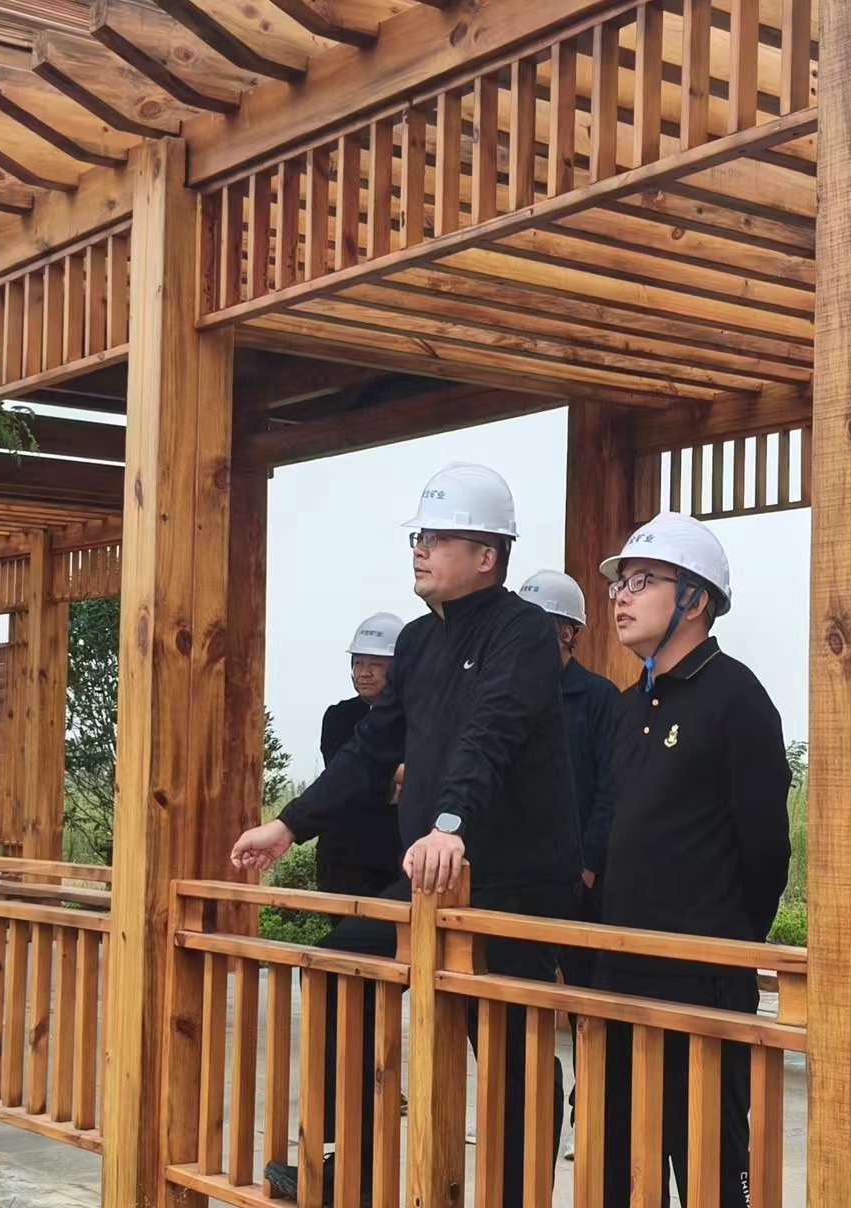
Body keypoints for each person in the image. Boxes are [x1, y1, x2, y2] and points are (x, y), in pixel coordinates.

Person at [234, 463, 580, 1208]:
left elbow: (491, 732)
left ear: (486, 555)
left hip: (511, 878)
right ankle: (348, 1169)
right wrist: (290, 825)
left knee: (509, 1047)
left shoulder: (522, 632)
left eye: (439, 538)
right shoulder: (420, 642)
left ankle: (517, 1195)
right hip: (431, 878)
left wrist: (450, 823)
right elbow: (370, 749)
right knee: (340, 969)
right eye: (418, 536)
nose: (420, 549)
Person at [591, 512, 791, 1208]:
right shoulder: (626, 708)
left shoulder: (736, 698)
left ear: (695, 599)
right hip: (620, 973)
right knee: (616, 1162)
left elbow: (766, 851)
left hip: (702, 979)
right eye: (619, 583)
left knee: (711, 1165)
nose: (621, 597)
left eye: (642, 581)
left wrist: (727, 946)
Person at [518, 568, 621, 1163]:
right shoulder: (509, 697)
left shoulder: (599, 699)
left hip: (582, 886)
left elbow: (610, 790)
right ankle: (527, 1125)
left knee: (588, 1004)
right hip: (522, 885)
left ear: (569, 633)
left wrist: (587, 867)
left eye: (543, 626)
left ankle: (595, 1112)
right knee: (521, 1007)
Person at [313, 612, 408, 897]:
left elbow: (429, 776)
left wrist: (384, 775)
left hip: (398, 857)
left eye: (375, 664)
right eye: (358, 662)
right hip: (344, 858)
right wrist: (397, 780)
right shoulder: (340, 716)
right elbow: (347, 780)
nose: (364, 672)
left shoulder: (420, 716)